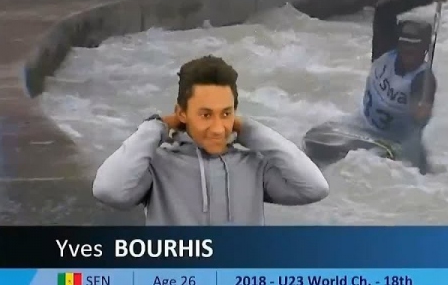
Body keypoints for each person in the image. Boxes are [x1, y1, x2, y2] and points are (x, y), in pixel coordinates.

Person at [92, 55, 329, 225]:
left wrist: (251, 130)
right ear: (181, 113)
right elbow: (108, 190)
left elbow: (314, 188)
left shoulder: (255, 166)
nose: (217, 128)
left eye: (226, 113)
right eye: (205, 115)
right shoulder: (158, 166)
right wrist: (156, 127)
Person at [360, 0, 448, 172]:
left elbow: (421, 108)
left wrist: (421, 113)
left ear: (425, 51)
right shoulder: (384, 53)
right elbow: (384, 9)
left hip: (401, 144)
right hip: (364, 126)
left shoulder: (423, 79)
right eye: (405, 47)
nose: (409, 53)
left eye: (415, 50)